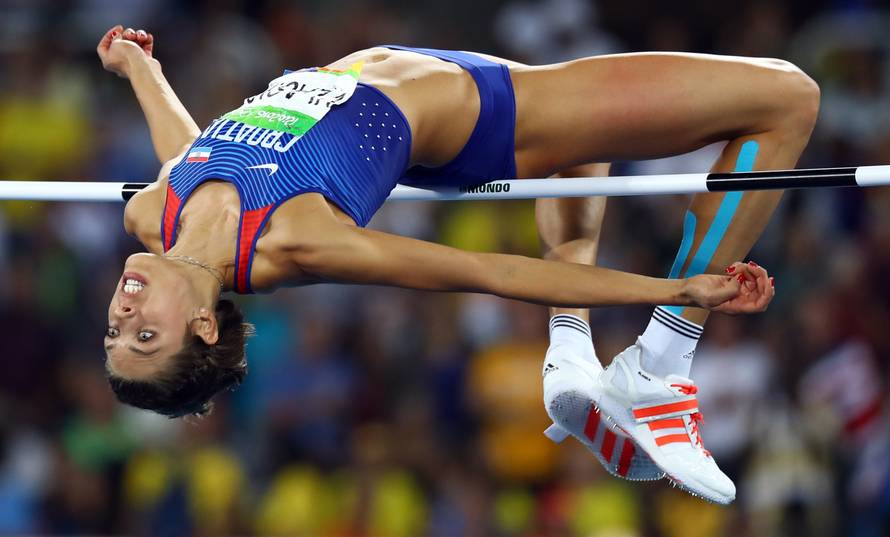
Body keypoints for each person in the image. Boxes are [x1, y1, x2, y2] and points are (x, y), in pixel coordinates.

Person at [97, 23, 815, 502]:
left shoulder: (154, 211)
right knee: (785, 97)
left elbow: (186, 150)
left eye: (116, 333)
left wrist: (139, 67)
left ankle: (570, 352)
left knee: (583, 153)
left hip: (441, 70)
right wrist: (674, 287)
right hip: (489, 116)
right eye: (145, 338)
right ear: (204, 325)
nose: (123, 315)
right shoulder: (293, 241)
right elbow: (491, 272)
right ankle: (660, 361)